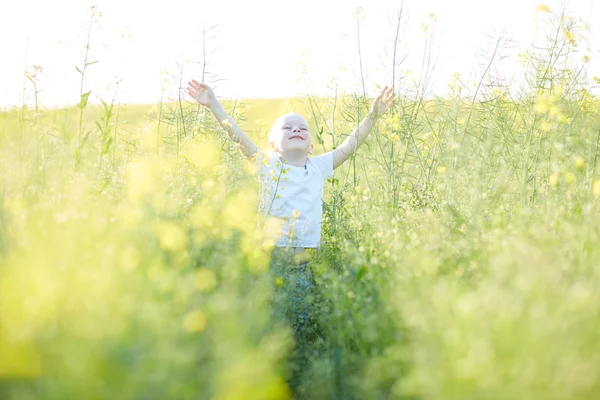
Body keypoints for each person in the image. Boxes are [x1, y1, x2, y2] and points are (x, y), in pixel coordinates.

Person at [186, 80, 393, 393]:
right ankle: (261, 370)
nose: (296, 129)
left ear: (311, 145)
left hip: (304, 260)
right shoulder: (267, 165)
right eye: (287, 128)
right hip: (270, 256)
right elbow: (237, 136)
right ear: (272, 145)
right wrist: (213, 104)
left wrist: (373, 115)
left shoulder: (320, 166)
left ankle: (295, 373)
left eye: (302, 128)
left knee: (298, 319)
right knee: (268, 317)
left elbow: (351, 145)